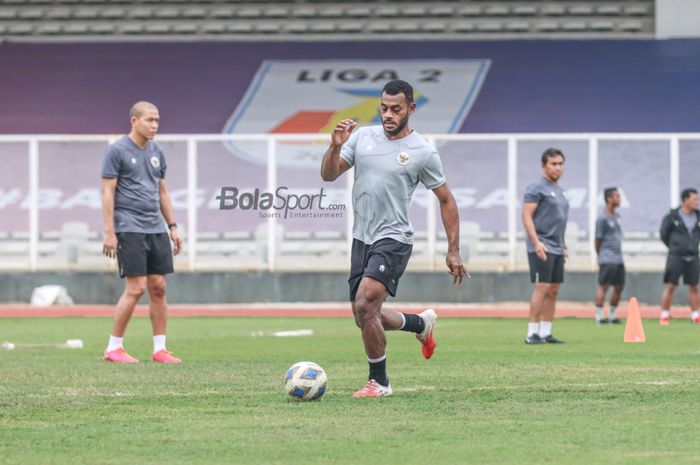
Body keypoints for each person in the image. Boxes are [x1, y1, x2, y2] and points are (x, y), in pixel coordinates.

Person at [320, 79, 468, 398]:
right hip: (362, 238)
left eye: (396, 109)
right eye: (384, 108)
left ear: (410, 109)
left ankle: (380, 383)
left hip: (394, 238)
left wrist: (453, 250)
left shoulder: (423, 152)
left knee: (365, 303)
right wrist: (334, 146)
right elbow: (329, 175)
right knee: (364, 314)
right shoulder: (361, 138)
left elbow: (446, 199)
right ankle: (419, 324)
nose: (388, 114)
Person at [101, 101, 183, 363]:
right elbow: (107, 191)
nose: (155, 125)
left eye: (157, 120)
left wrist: (172, 226)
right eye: (149, 120)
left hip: (155, 228)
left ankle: (160, 349)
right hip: (129, 227)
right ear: (134, 121)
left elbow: (162, 192)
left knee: (158, 287)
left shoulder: (157, 151)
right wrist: (109, 231)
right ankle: (114, 348)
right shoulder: (117, 151)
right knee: (136, 289)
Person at [522, 148, 569, 344]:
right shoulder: (536, 188)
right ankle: (532, 332)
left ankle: (545, 332)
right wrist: (536, 243)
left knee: (554, 289)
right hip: (542, 245)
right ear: (544, 166)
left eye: (560, 164)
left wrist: (563, 245)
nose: (557, 168)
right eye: (553, 164)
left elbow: (559, 220)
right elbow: (526, 216)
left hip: (557, 246)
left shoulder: (560, 190)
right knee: (541, 287)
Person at [659, 188, 700, 325]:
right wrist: (675, 246)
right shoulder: (672, 217)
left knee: (694, 286)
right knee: (671, 285)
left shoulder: (698, 216)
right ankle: (664, 314)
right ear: (685, 200)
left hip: (693, 256)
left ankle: (695, 315)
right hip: (676, 255)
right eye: (694, 199)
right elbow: (664, 234)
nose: (696, 202)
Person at [594, 187, 625, 325]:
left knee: (619, 286)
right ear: (609, 199)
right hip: (607, 257)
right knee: (604, 286)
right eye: (617, 196)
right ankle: (599, 316)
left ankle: (612, 315)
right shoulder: (602, 218)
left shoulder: (617, 216)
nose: (619, 199)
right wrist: (599, 255)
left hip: (618, 258)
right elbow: (598, 239)